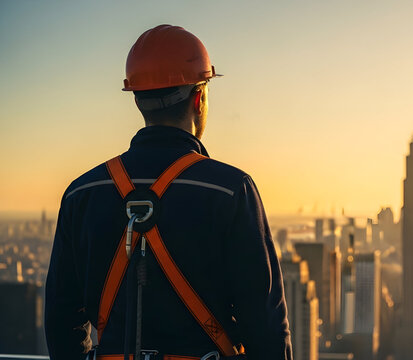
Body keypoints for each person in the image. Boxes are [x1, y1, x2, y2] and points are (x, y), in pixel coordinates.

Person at [45, 24, 292, 360]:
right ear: (199, 96)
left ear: (137, 99)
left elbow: (62, 322)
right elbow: (266, 330)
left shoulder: (82, 193)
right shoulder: (231, 191)